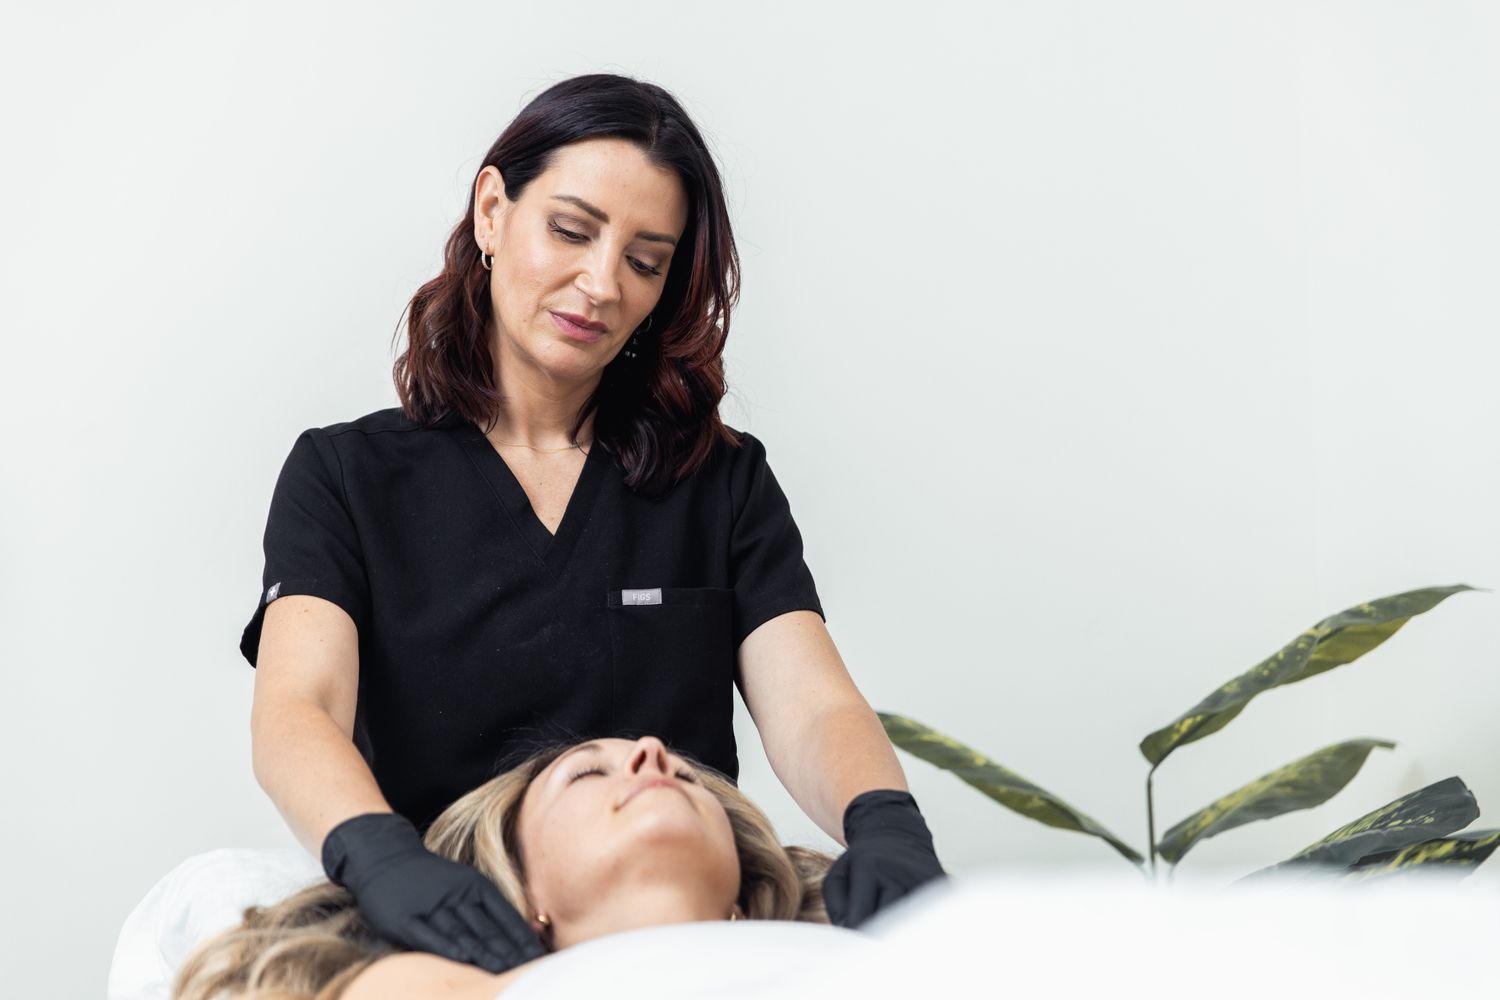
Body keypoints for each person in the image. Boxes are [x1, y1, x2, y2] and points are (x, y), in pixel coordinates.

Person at [241, 72, 945, 975]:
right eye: (570, 230)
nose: (601, 283)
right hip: (455, 923)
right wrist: (379, 856)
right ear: (492, 211)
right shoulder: (345, 476)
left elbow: (810, 706)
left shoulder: (719, 481)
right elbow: (300, 709)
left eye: (646, 260)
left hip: (681, 925)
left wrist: (885, 822)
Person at [171, 735, 853, 1000]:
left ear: (739, 898)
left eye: (685, 775)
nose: (652, 753)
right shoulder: (439, 986)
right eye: (588, 772)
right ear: (521, 892)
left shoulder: (848, 961)